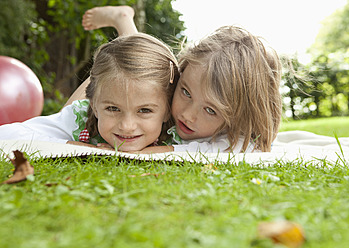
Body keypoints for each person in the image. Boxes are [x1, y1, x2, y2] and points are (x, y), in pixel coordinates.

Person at [68, 5, 282, 153]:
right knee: (118, 74)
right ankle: (123, 23)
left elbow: (251, 148)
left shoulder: (237, 133)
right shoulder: (156, 100)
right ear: (182, 71)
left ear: (239, 116)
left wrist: (141, 154)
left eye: (211, 110)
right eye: (186, 92)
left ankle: (123, 24)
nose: (187, 115)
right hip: (123, 89)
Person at [0, 33, 179, 152]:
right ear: (94, 105)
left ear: (167, 110)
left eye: (144, 110)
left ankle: (124, 25)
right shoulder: (79, 116)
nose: (127, 126)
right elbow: (5, 135)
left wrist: (153, 153)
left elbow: (206, 150)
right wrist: (80, 148)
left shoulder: (177, 129)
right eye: (113, 108)